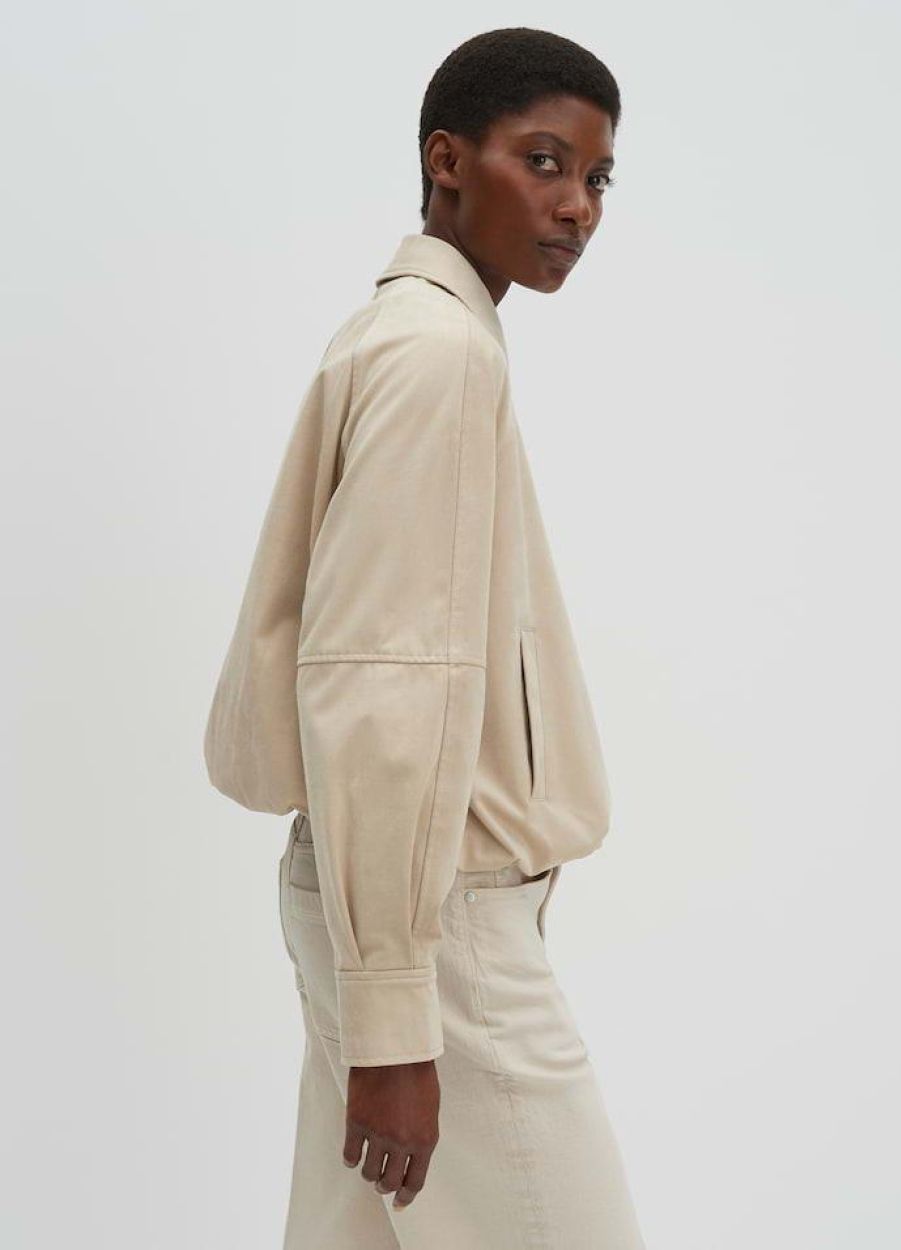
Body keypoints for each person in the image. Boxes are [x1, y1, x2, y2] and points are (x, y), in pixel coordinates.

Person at [203, 25, 645, 1250]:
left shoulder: (400, 333)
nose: (577, 206)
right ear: (446, 160)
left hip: (379, 894)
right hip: (436, 921)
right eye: (543, 162)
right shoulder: (437, 354)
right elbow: (381, 683)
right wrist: (398, 1020)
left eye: (597, 177)